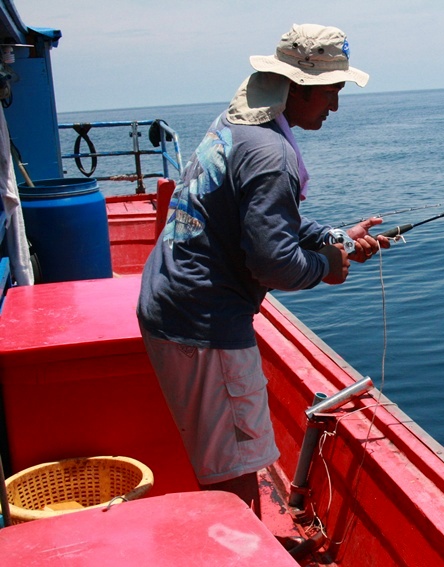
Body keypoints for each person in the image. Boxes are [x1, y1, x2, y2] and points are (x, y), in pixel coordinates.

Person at [136, 23, 389, 517]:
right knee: (233, 474)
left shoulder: (239, 128)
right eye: (331, 92)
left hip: (170, 300)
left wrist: (332, 237)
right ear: (296, 88)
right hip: (205, 324)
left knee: (218, 455)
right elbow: (274, 263)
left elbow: (263, 218)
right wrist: (327, 267)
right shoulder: (272, 155)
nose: (334, 106)